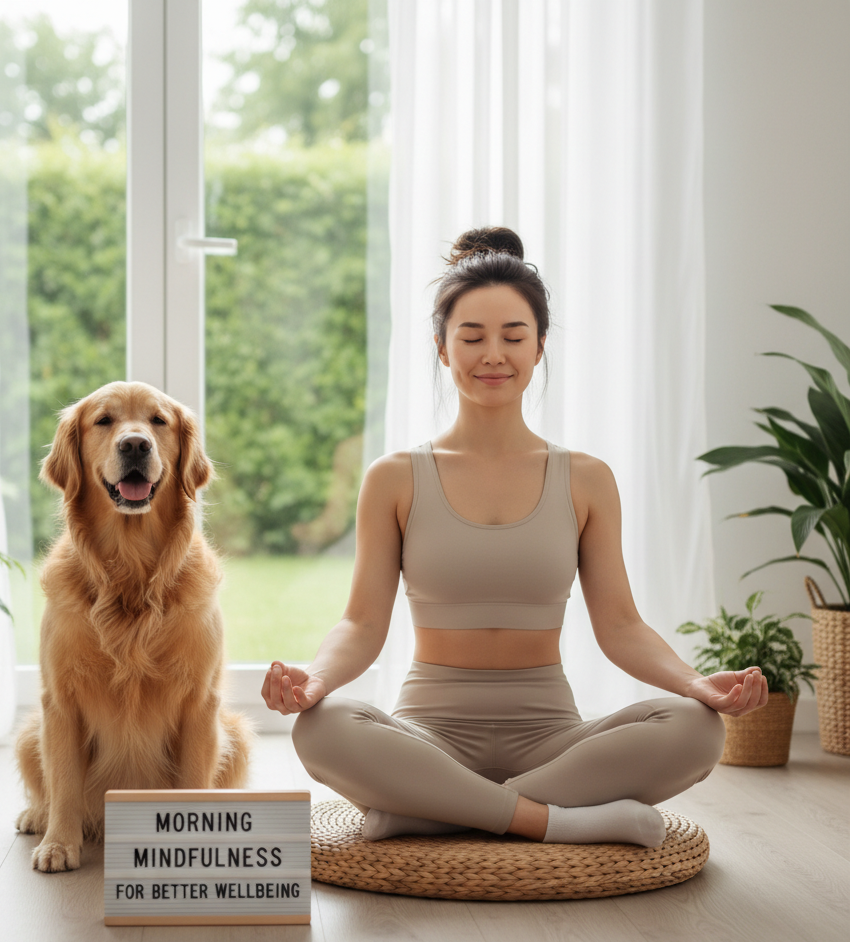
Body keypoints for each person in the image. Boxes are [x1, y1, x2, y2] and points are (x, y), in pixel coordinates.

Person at [261, 227, 765, 846]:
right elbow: (363, 622)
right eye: (471, 337)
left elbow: (622, 625)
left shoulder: (586, 478)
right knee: (321, 726)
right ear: (443, 349)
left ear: (541, 346)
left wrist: (693, 684)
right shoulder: (394, 478)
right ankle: (549, 821)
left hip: (553, 741)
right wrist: (314, 682)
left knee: (697, 728)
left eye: (514, 336)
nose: (492, 354)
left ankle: (436, 812)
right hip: (429, 736)